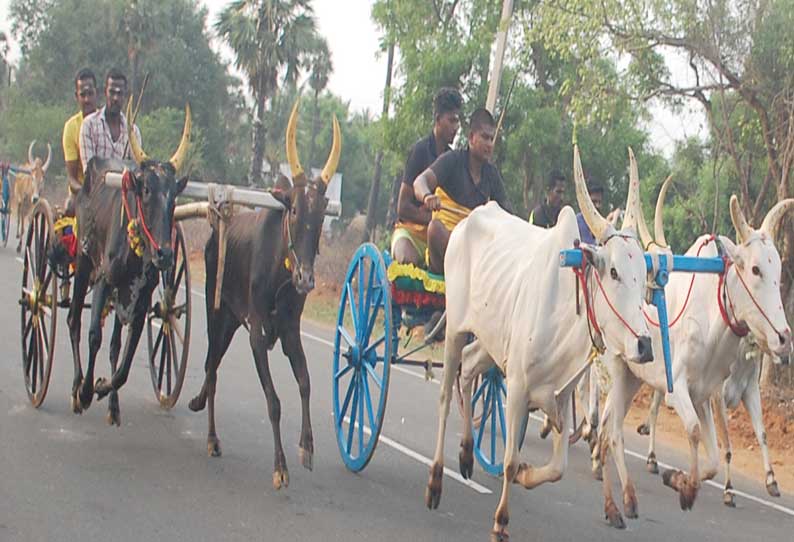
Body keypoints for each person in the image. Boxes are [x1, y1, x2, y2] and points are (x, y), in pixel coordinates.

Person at [414, 108, 513, 275]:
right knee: (435, 229)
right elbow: (420, 182)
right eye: (485, 137)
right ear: (471, 138)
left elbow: (508, 213)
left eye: (492, 139)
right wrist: (427, 196)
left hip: (474, 248)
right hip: (445, 249)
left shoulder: (491, 174)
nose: (490, 144)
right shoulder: (452, 160)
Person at [391, 87, 462, 267]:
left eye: (458, 121)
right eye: (451, 121)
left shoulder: (453, 159)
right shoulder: (420, 151)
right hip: (410, 233)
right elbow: (403, 208)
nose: (456, 127)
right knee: (408, 261)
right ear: (438, 120)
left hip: (437, 237)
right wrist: (433, 219)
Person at [79, 68, 141, 172]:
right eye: (112, 92)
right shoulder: (89, 125)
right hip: (97, 187)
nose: (115, 98)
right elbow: (89, 173)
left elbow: (136, 172)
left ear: (125, 95)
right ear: (105, 92)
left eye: (120, 93)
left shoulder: (134, 132)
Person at [62, 68, 97, 212]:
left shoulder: (106, 122)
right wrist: (87, 193)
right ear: (77, 96)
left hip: (108, 193)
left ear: (97, 93)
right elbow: (72, 178)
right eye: (83, 95)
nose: (87, 99)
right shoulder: (71, 128)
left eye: (90, 94)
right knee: (70, 208)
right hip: (82, 193)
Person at [576, 180, 604, 244]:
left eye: (599, 202)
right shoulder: (576, 222)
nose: (597, 206)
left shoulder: (603, 224)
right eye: (593, 202)